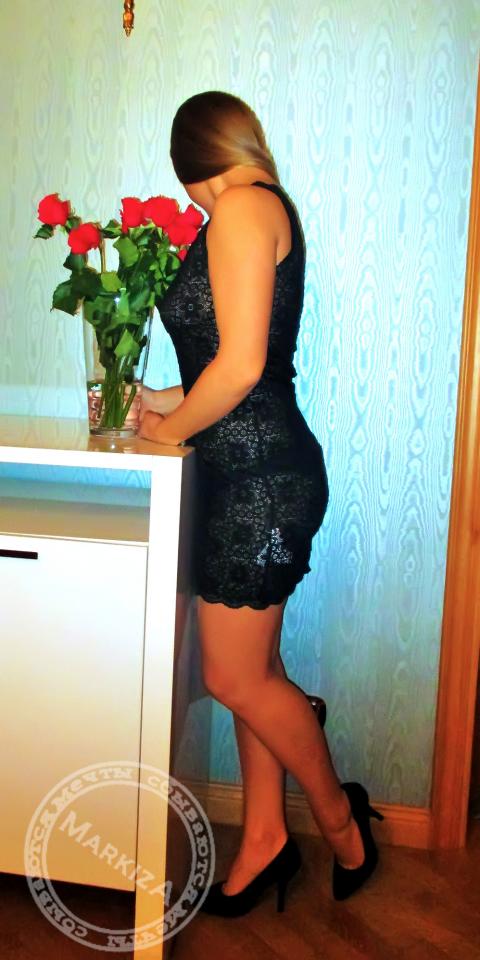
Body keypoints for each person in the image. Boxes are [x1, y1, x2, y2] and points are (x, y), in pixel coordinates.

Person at [138, 90, 384, 916]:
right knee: (255, 675)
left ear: (193, 158)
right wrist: (157, 402)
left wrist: (170, 432)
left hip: (261, 483)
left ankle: (342, 821)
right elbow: (239, 365)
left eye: (183, 178)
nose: (186, 195)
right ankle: (266, 840)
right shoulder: (251, 208)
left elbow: (242, 370)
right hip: (244, 474)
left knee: (231, 675)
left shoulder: (242, 206)